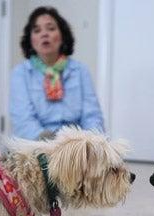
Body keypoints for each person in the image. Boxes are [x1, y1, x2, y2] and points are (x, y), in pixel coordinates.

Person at [9, 6, 104, 140]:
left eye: (51, 28)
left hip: (77, 144)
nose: (44, 34)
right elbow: (23, 121)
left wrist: (88, 143)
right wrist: (53, 144)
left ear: (62, 36)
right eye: (37, 30)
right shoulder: (20, 73)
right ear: (31, 40)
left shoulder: (81, 71)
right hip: (36, 144)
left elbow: (93, 117)